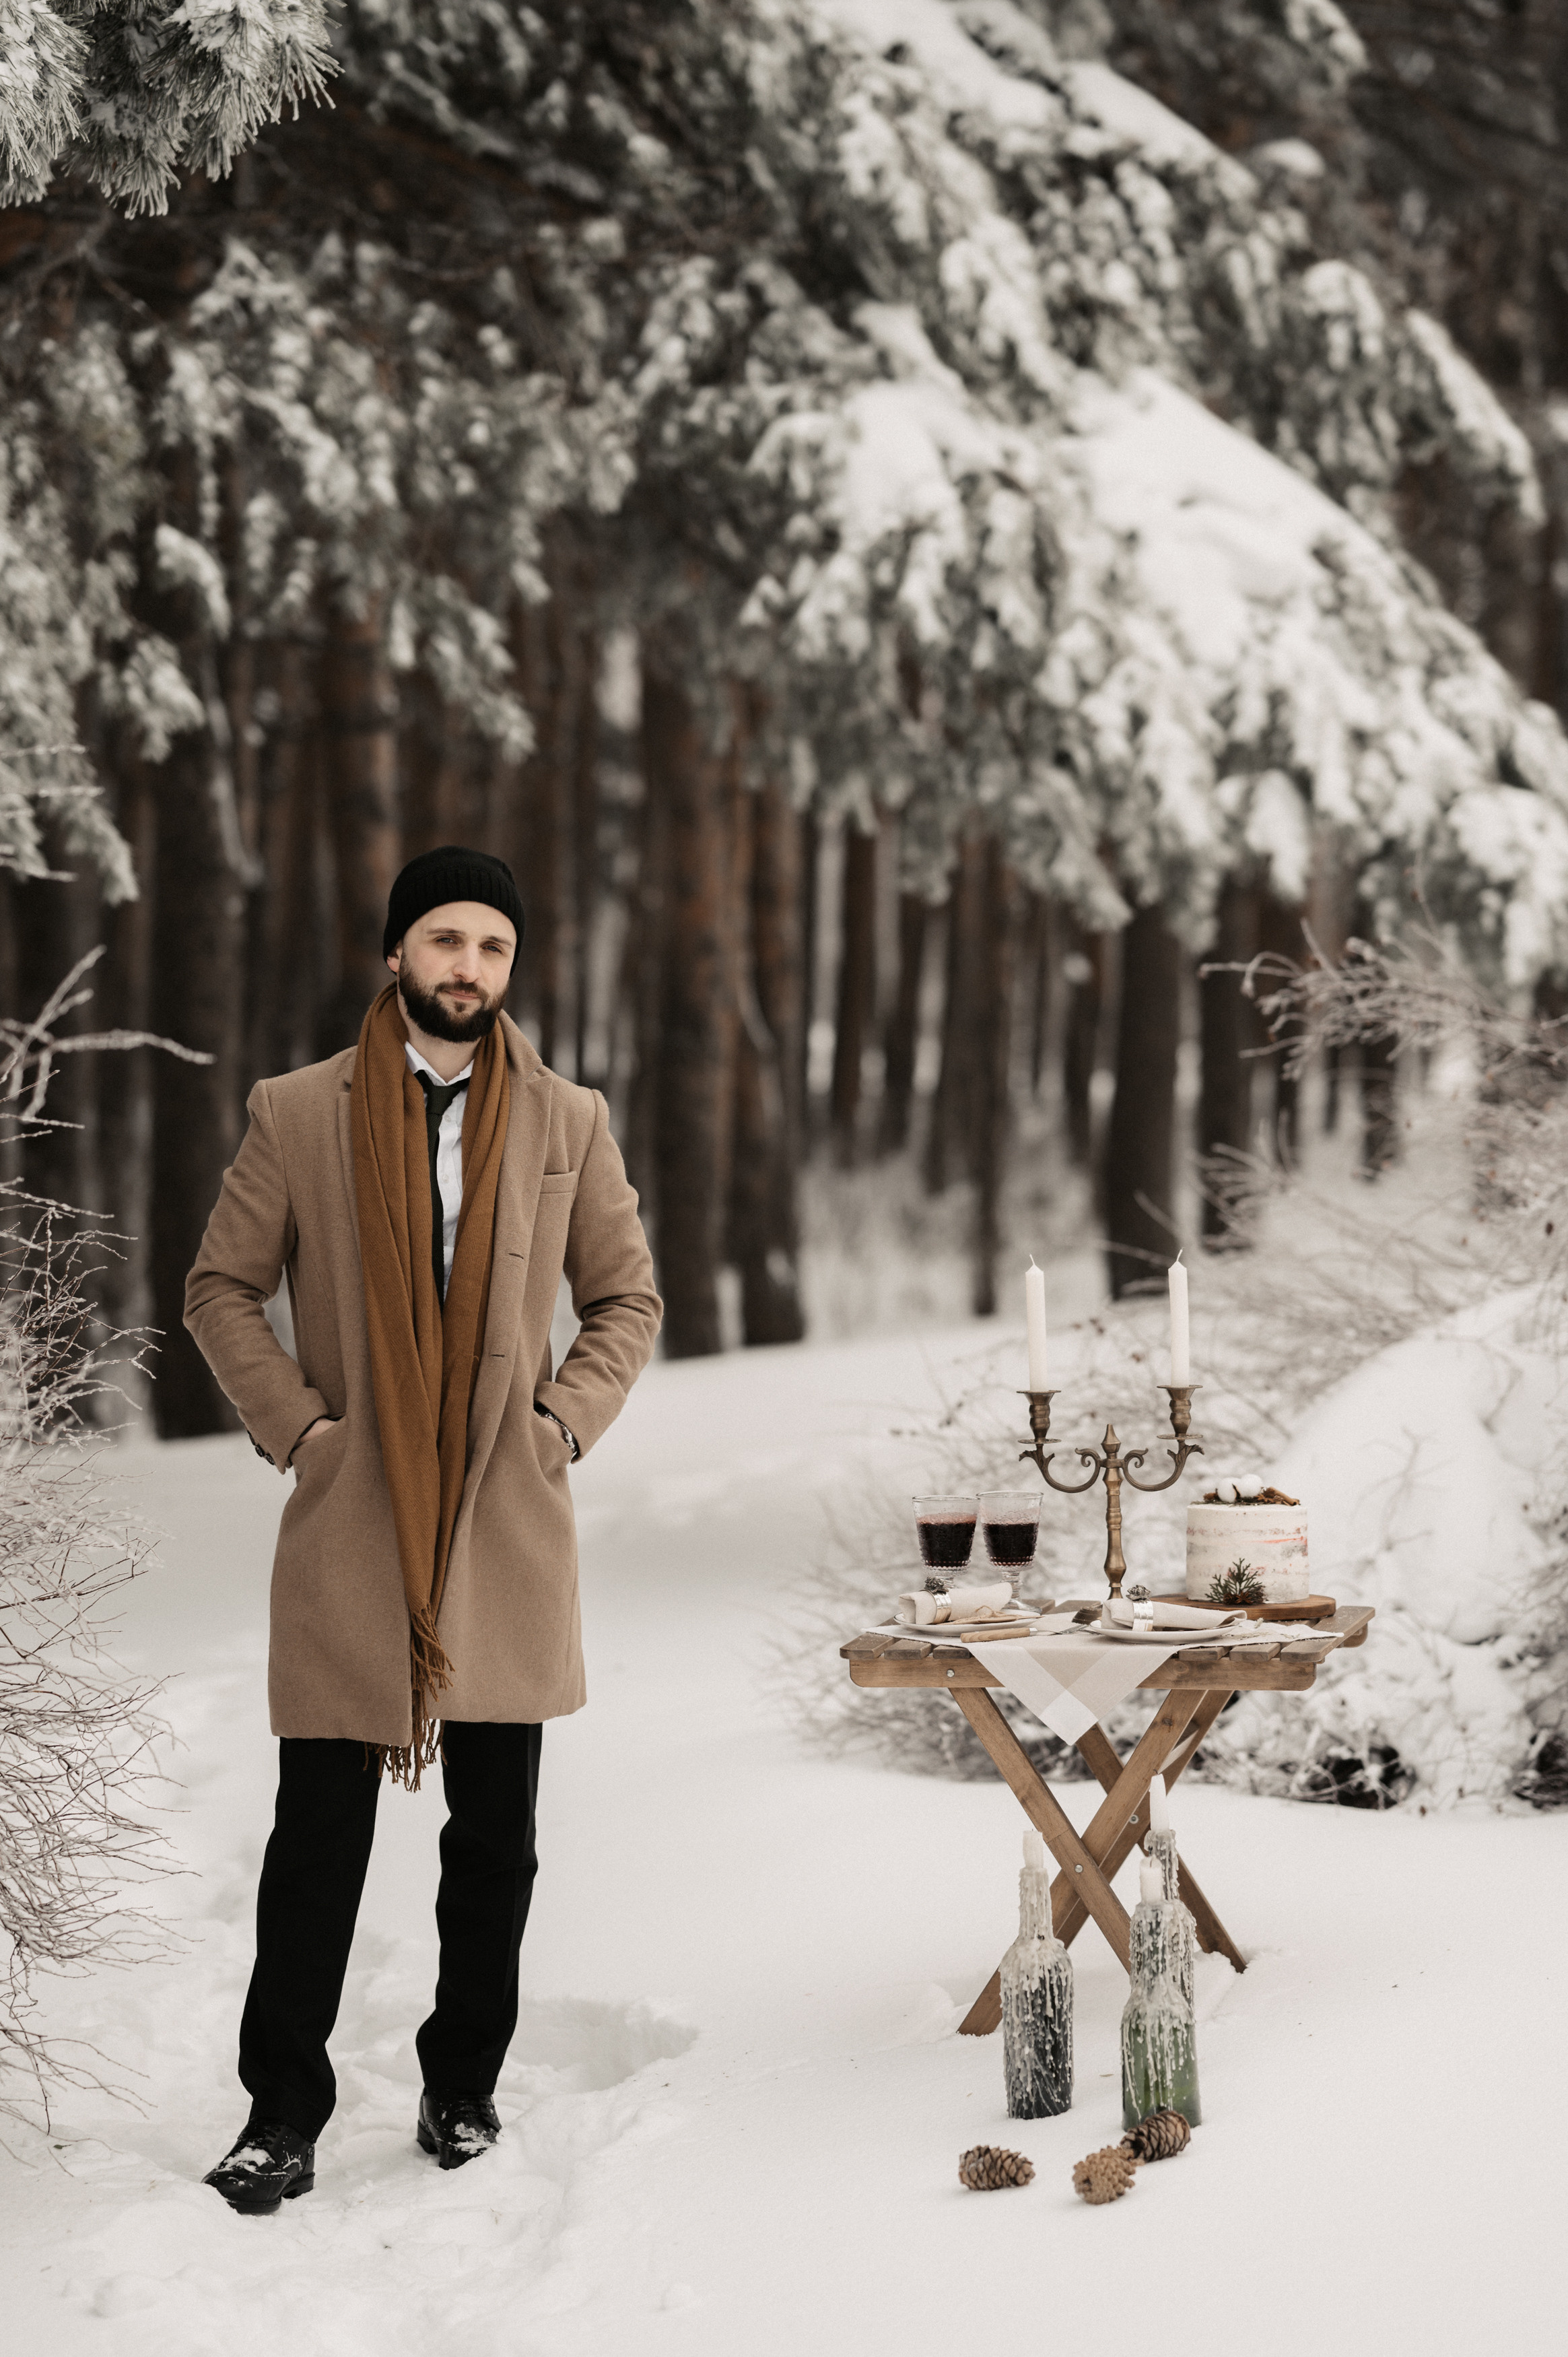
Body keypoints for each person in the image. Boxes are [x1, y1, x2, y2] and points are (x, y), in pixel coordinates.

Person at [184, 846, 661, 2214]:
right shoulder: (297, 1112)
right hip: (352, 1517)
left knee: (493, 1838)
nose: (469, 967)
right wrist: (301, 1428)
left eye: (493, 947)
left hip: (504, 1518)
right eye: (445, 939)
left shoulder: (567, 1119)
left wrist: (560, 1422)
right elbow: (220, 1288)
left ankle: (462, 2085)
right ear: (396, 953)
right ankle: (281, 2111)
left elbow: (625, 1298)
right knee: (318, 1834)